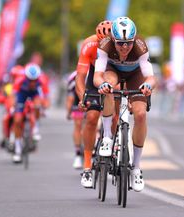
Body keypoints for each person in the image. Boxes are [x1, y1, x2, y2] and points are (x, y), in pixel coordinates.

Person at [94, 17, 157, 192]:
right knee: (108, 85)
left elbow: (151, 77)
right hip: (113, 72)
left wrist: (148, 85)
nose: (124, 47)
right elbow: (98, 75)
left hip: (135, 75)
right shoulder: (105, 45)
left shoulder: (140, 46)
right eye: (120, 43)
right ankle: (107, 136)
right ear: (113, 40)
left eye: (128, 43)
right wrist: (102, 85)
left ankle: (136, 168)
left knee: (141, 114)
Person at [75, 20, 114, 188]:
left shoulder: (120, 45)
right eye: (101, 43)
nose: (104, 46)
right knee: (91, 117)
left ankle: (114, 147)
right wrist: (82, 98)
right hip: (95, 79)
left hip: (114, 76)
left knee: (118, 112)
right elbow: (80, 77)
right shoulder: (89, 44)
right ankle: (87, 167)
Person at [12, 63, 49, 163]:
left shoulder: (41, 80)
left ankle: (36, 128)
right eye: (30, 80)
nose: (33, 82)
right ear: (26, 77)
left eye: (35, 80)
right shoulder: (19, 80)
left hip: (34, 94)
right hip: (21, 95)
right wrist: (13, 107)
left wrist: (44, 107)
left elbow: (45, 96)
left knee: (37, 105)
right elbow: (13, 96)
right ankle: (18, 150)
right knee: (17, 120)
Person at [66, 71, 84, 169]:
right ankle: (77, 153)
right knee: (78, 124)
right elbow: (70, 98)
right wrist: (69, 112)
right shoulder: (73, 77)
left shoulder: (98, 71)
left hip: (93, 93)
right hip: (78, 98)